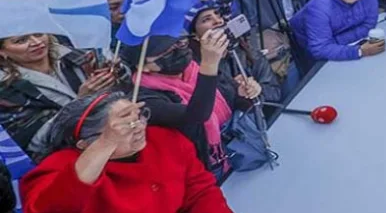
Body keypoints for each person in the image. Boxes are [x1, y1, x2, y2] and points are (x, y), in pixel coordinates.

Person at [19, 91, 233, 213]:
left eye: (139, 116)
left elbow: (201, 191)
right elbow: (48, 208)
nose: (139, 127)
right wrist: (106, 144)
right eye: (124, 126)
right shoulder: (60, 168)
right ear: (84, 144)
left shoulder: (164, 139)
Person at [122, 33, 259, 179]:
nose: (179, 50)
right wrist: (209, 65)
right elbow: (196, 115)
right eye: (167, 51)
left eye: (180, 43)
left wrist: (246, 92)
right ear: (143, 66)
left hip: (242, 148)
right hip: (206, 170)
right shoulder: (144, 99)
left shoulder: (194, 67)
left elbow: (232, 98)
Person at [0, 33, 116, 155]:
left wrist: (115, 71)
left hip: (113, 139)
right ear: (2, 51)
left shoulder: (75, 55)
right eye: (21, 41)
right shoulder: (6, 90)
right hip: (67, 157)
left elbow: (126, 88)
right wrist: (80, 102)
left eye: (39, 34)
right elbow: (36, 141)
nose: (36, 42)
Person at [288, 0, 384, 62]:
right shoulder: (318, 8)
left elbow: (369, 25)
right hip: (305, 47)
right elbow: (319, 49)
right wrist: (359, 51)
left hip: (336, 42)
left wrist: (335, 42)